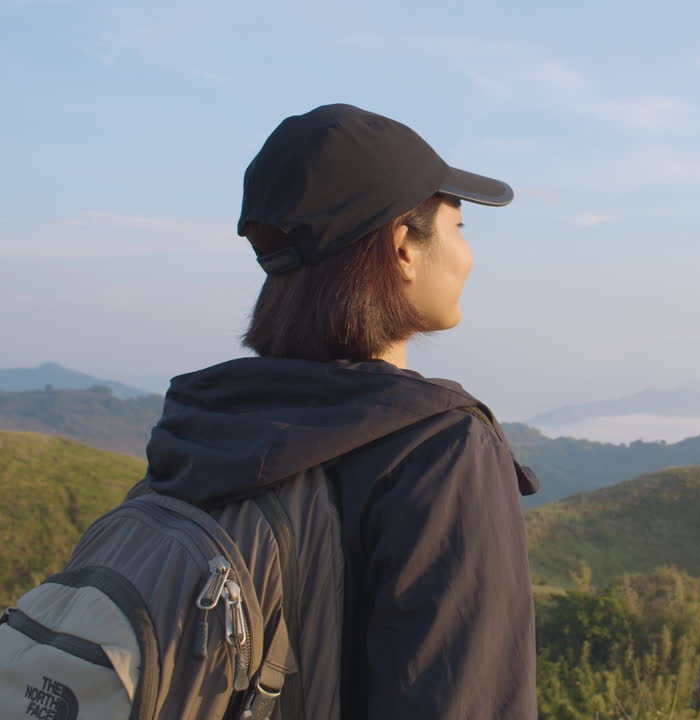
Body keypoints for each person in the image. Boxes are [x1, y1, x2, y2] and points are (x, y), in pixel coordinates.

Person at [143, 103, 539, 718]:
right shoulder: (438, 450)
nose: (466, 254)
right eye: (459, 226)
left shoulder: (194, 424)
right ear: (403, 246)